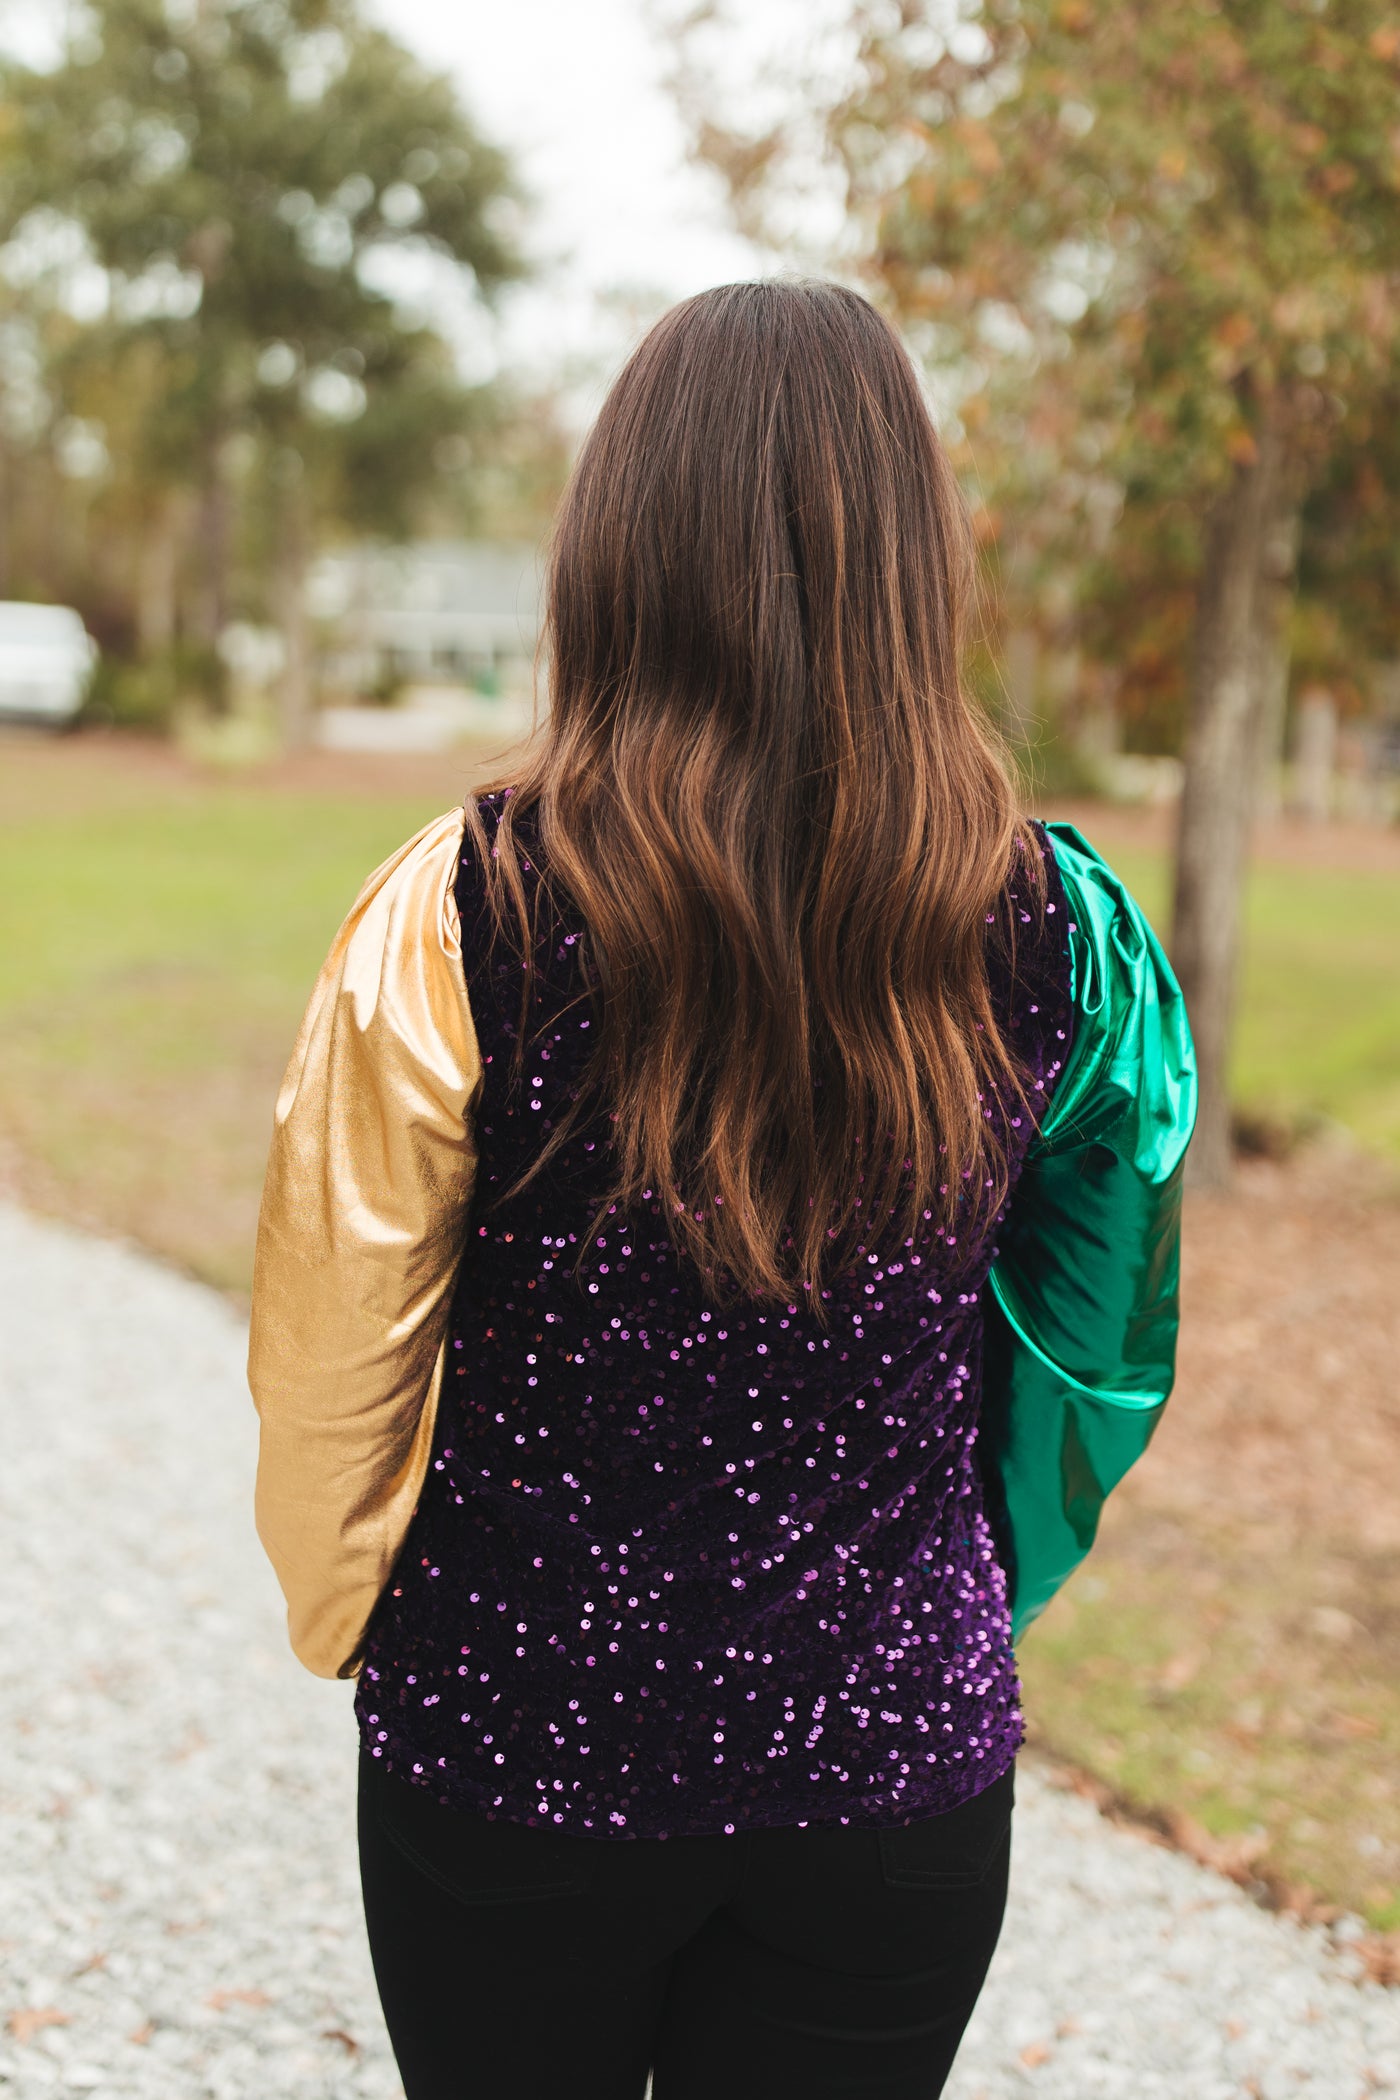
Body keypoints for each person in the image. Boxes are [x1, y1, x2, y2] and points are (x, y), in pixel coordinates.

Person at [248, 279, 1196, 2100]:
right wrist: (957, 1594)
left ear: (617, 544)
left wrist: (349, 1609)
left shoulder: (456, 911)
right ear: (914, 563)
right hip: (892, 1766)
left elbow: (331, 1352)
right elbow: (1097, 1343)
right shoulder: (1064, 932)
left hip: (517, 1739)